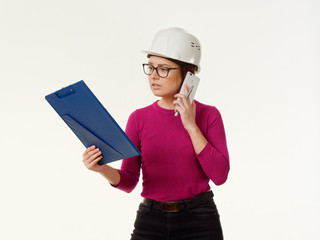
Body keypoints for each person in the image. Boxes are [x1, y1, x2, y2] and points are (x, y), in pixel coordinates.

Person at [82, 27, 230, 240]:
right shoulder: (138, 118)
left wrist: (191, 126)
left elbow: (220, 176)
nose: (153, 76)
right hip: (151, 221)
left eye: (163, 69)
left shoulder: (209, 115)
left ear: (188, 74)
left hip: (200, 221)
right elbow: (129, 181)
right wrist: (102, 169)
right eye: (150, 68)